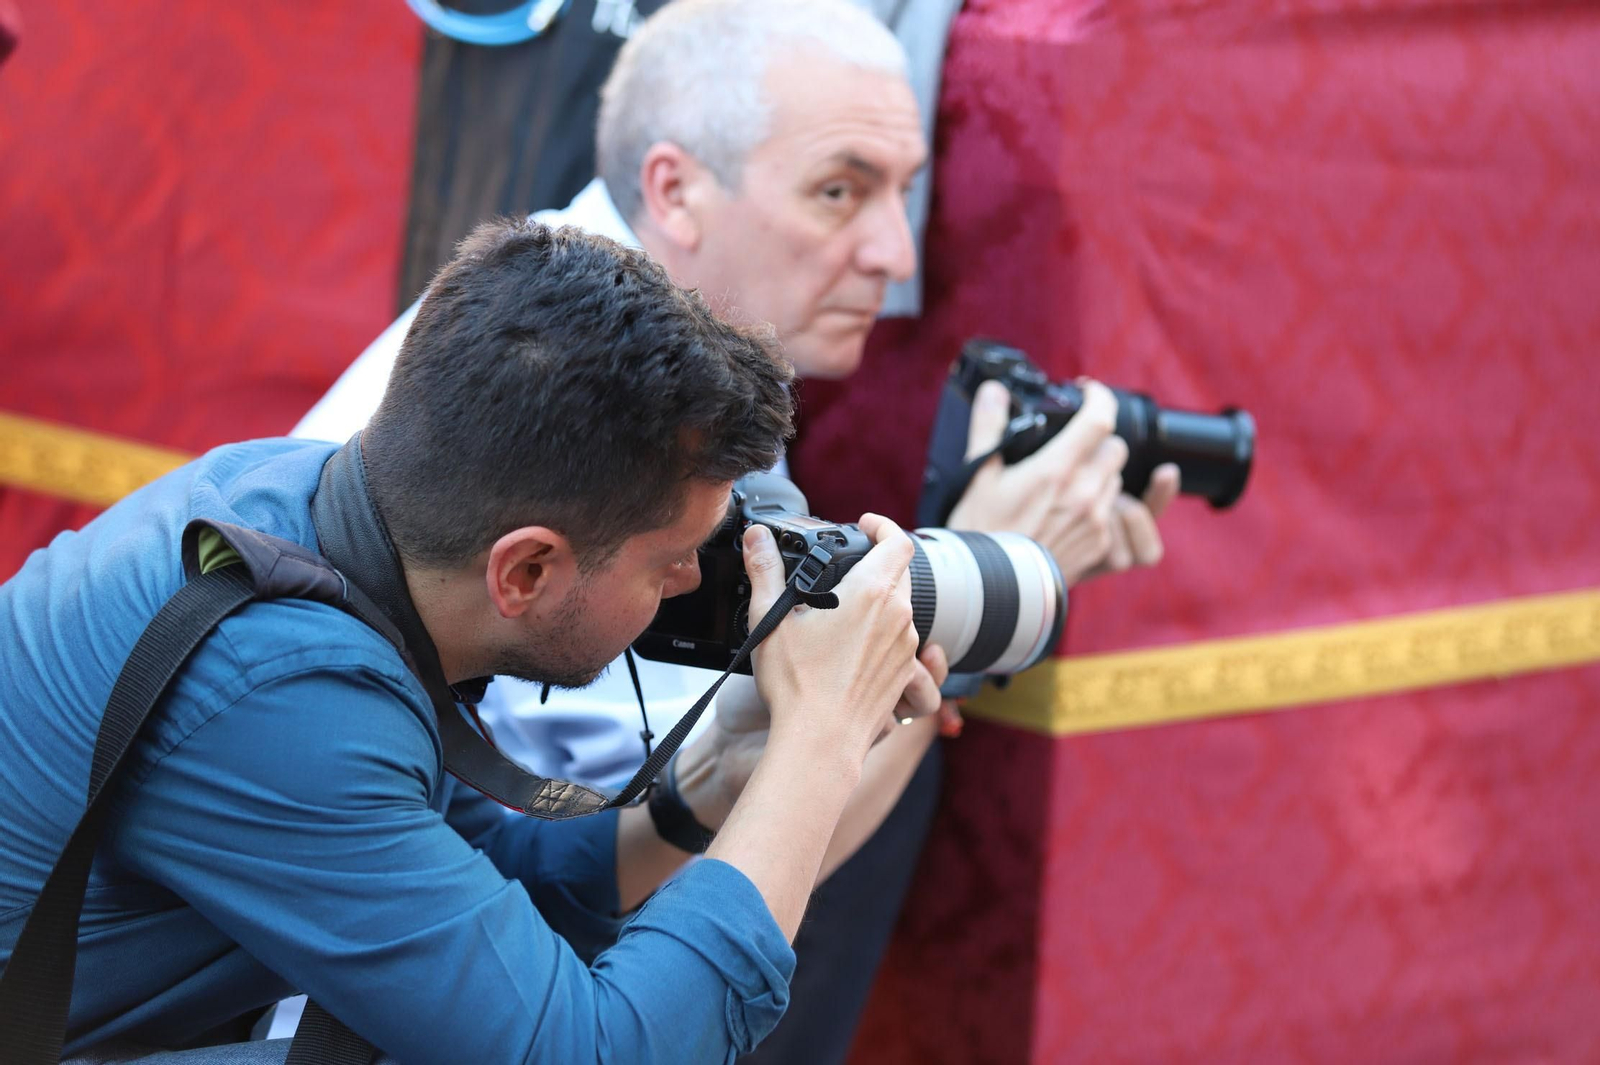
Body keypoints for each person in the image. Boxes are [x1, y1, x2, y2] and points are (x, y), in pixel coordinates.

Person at [295, 2, 1179, 1060]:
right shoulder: (613, 416)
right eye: (838, 192)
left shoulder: (561, 311)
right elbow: (692, 882)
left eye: (905, 191)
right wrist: (987, 565)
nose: (891, 253)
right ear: (672, 189)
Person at [0, 220, 948, 1063]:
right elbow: (605, 1051)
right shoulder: (276, 690)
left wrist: (725, 772)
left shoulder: (302, 505)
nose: (693, 582)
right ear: (525, 572)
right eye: (668, 561)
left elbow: (502, 877)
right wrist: (820, 740)